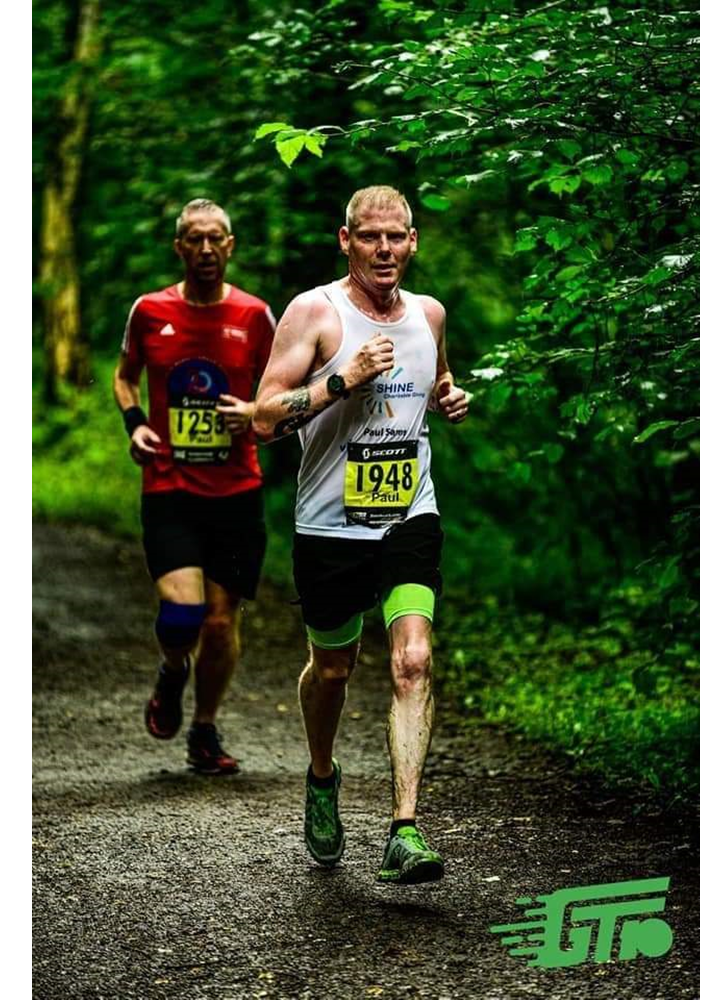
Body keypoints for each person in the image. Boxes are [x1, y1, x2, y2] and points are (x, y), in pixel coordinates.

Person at [253, 185, 468, 883]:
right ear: (345, 240)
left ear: (412, 241)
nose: (384, 250)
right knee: (334, 668)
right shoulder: (315, 312)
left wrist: (448, 396)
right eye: (369, 237)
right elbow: (263, 415)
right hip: (328, 525)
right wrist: (339, 380)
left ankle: (404, 829)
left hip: (409, 513)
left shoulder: (430, 314)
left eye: (396, 237)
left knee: (412, 659)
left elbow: (435, 379)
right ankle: (322, 774)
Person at [113, 198, 275, 774]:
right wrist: (136, 428)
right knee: (183, 615)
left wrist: (256, 409)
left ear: (231, 246)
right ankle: (172, 668)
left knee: (220, 620)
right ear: (179, 247)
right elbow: (125, 377)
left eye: (216, 240)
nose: (206, 250)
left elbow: (282, 390)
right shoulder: (149, 310)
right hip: (170, 486)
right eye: (195, 240)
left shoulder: (256, 316)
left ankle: (204, 729)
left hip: (236, 489)